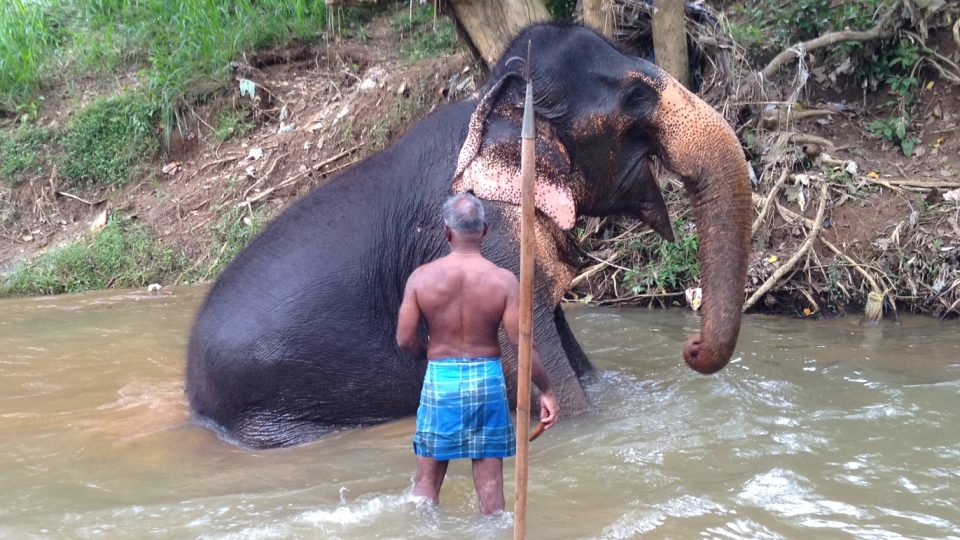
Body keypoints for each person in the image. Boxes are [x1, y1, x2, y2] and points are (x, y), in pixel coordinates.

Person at [396, 192, 560, 515]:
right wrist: (548, 391)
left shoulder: (421, 279)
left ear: (447, 232)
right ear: (484, 230)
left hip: (441, 380)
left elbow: (404, 339)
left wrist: (429, 352)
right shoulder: (503, 281)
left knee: (426, 485)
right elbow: (521, 344)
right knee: (491, 492)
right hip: (486, 381)